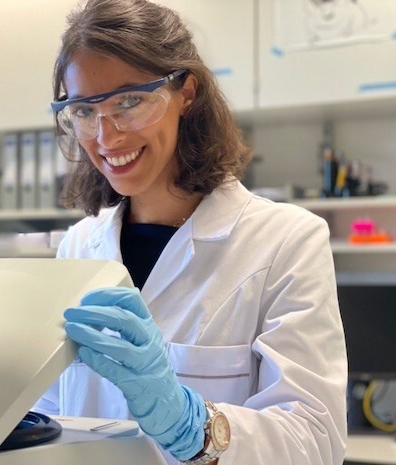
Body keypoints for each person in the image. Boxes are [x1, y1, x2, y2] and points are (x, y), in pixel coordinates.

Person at [34, 1, 348, 464]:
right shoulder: (79, 246)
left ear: (187, 93)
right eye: (84, 110)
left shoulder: (286, 241)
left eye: (130, 101)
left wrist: (189, 425)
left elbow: (316, 443)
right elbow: (50, 413)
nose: (107, 136)